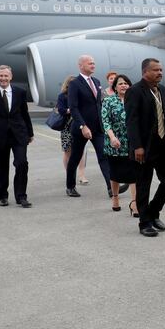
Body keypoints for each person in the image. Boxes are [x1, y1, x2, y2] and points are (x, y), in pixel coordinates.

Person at [125, 59, 165, 237]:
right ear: (145, 72)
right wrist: (137, 146)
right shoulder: (134, 91)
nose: (160, 73)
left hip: (164, 147)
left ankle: (153, 212)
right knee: (143, 185)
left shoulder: (164, 90)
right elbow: (131, 121)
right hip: (144, 149)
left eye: (161, 69)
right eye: (156, 70)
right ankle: (144, 222)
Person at [65, 55, 112, 198]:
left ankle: (111, 187)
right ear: (81, 66)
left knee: (104, 156)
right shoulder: (74, 83)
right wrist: (82, 126)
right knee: (75, 157)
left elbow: (98, 104)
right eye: (90, 63)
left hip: (97, 128)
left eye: (94, 63)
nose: (93, 65)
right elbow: (73, 107)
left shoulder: (96, 82)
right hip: (81, 129)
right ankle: (70, 186)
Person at [0, 65, 34, 208]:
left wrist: (30, 133)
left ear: (11, 77)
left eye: (6, 76)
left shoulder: (20, 92)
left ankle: (21, 196)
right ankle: (2, 194)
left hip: (19, 134)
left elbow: (25, 113)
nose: (3, 78)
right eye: (0, 76)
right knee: (1, 166)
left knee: (22, 163)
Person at [102, 74, 138, 214]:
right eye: (121, 83)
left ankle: (135, 203)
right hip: (115, 143)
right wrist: (112, 137)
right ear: (115, 87)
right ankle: (115, 198)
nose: (124, 86)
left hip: (132, 143)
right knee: (115, 173)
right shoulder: (109, 101)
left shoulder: (134, 100)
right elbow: (106, 122)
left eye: (126, 83)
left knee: (134, 173)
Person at [57, 76, 88, 186]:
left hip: (79, 125)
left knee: (81, 151)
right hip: (66, 126)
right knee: (67, 151)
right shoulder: (62, 96)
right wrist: (71, 110)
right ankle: (69, 174)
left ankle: (81, 175)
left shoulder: (80, 95)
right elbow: (60, 110)